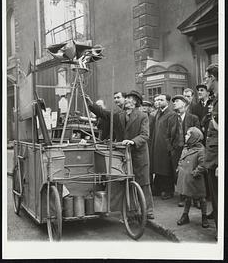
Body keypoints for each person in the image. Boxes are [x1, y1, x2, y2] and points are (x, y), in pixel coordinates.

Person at [86, 90, 155, 219]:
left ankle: (148, 211)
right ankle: (131, 210)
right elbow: (103, 114)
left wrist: (133, 141)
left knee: (143, 183)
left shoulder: (142, 116)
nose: (127, 100)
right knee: (126, 182)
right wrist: (90, 103)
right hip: (123, 155)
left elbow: (145, 135)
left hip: (139, 155)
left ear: (135, 102)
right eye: (127, 98)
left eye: (129, 99)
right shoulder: (119, 115)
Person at [176, 127, 209, 228]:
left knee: (202, 198)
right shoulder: (186, 148)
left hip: (196, 179)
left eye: (188, 135)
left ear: (194, 137)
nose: (186, 136)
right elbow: (181, 159)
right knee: (187, 197)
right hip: (187, 179)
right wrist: (179, 167)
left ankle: (204, 216)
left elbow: (203, 165)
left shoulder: (200, 150)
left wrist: (195, 173)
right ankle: (185, 215)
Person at [172, 94, 201, 207]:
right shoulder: (172, 118)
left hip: (190, 150)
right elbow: (168, 134)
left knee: (192, 174)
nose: (174, 103)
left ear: (184, 104)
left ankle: (196, 198)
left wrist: (193, 148)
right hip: (177, 150)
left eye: (177, 101)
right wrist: (171, 148)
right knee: (180, 174)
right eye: (173, 102)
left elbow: (198, 134)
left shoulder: (193, 118)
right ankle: (183, 197)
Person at [151, 94, 179, 199]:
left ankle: (168, 190)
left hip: (166, 146)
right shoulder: (158, 113)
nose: (158, 101)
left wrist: (170, 147)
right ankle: (159, 188)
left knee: (166, 168)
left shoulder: (171, 114)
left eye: (161, 100)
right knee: (159, 168)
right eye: (156, 99)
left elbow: (173, 132)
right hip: (158, 145)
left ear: (167, 101)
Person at [202, 64, 218, 233]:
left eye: (206, 77)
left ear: (213, 78)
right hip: (213, 158)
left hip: (216, 159)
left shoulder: (220, 99)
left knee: (218, 197)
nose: (205, 81)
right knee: (215, 197)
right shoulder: (216, 99)